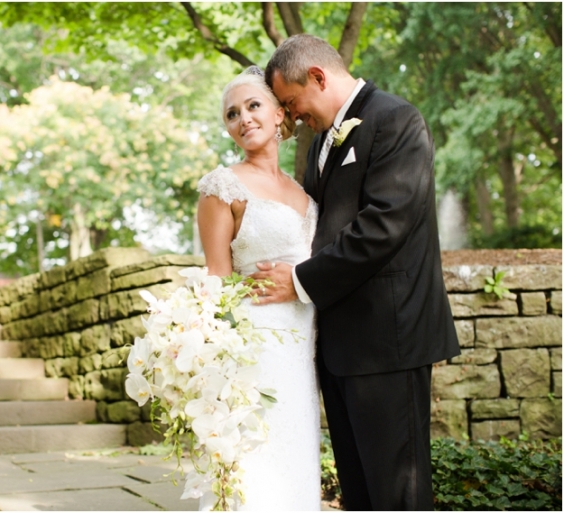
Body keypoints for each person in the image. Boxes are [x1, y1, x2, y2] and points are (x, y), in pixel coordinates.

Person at [250, 34, 461, 510]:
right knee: (360, 492)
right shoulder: (323, 138)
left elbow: (383, 226)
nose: (292, 115)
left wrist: (300, 280)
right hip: (341, 346)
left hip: (389, 339)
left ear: (319, 77)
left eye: (291, 101)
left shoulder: (396, 120)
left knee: (396, 493)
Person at [195, 66, 322, 510]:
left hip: (303, 339)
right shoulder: (221, 187)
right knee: (255, 453)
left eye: (252, 106)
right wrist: (218, 356)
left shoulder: (306, 194)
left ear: (278, 113)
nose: (243, 118)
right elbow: (216, 275)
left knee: (296, 446)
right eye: (232, 114)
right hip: (254, 344)